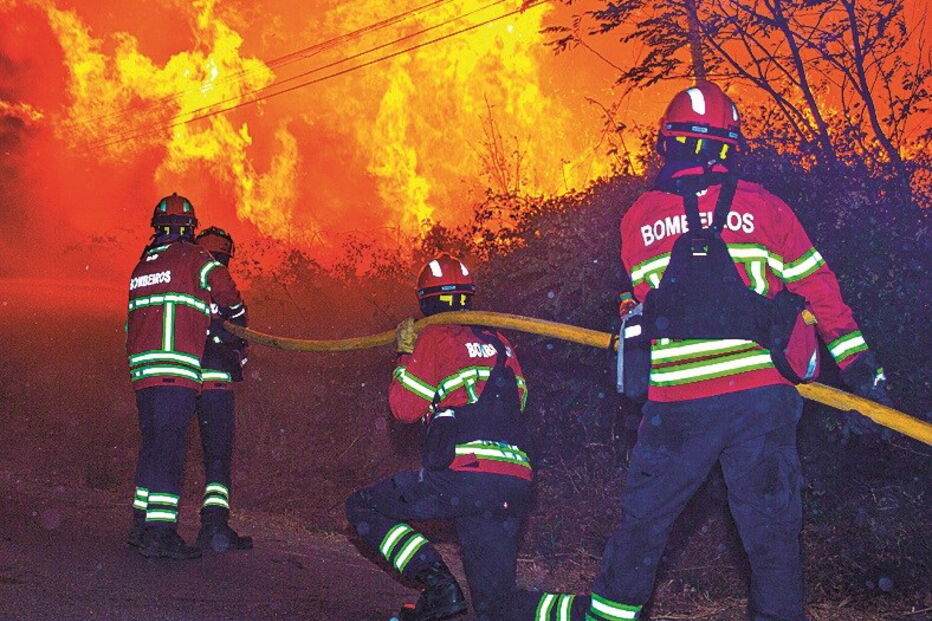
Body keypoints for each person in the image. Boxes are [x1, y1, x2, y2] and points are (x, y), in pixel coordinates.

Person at [505, 82, 892, 621]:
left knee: (645, 526)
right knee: (771, 537)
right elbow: (820, 290)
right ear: (730, 148)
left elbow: (641, 301)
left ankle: (610, 616)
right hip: (760, 402)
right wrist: (862, 372)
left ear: (670, 145)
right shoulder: (767, 209)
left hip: (677, 406)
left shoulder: (638, 219)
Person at [345, 254, 533, 621]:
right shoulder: (502, 342)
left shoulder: (434, 336)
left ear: (424, 300)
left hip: (462, 474)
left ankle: (438, 585)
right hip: (512, 482)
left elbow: (404, 409)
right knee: (499, 607)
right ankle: (590, 613)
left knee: (364, 507)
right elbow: (520, 405)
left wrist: (404, 353)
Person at [126, 193, 245, 559]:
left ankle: (142, 526)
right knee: (171, 452)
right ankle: (161, 534)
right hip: (176, 372)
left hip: (144, 373)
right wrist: (234, 317)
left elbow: (131, 321)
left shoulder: (143, 265)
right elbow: (231, 298)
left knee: (154, 448)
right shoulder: (198, 260)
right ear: (190, 229)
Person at [192, 226, 252, 552]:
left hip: (181, 380)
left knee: (168, 451)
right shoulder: (221, 281)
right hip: (215, 382)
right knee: (217, 457)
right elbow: (238, 323)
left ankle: (153, 526)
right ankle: (214, 527)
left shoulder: (184, 280)